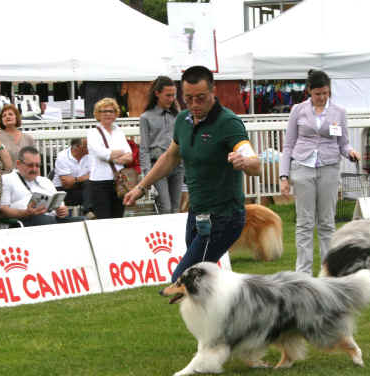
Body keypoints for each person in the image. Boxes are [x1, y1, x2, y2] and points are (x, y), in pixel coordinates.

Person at [124, 65, 260, 283]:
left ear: (213, 92)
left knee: (184, 280)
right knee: (203, 284)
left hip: (224, 216)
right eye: (188, 99)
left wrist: (245, 161)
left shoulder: (229, 123)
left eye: (201, 98)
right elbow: (170, 157)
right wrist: (142, 187)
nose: (194, 105)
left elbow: (255, 165)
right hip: (197, 213)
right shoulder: (183, 120)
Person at [279, 69, 360, 276]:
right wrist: (284, 176)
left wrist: (350, 152)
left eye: (325, 93)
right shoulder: (298, 110)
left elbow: (343, 143)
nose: (322, 97)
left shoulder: (339, 112)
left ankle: (329, 271)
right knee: (304, 223)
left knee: (327, 222)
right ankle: (303, 274)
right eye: (318, 94)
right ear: (309, 91)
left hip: (329, 168)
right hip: (302, 168)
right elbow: (288, 145)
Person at [0, 146, 85, 226]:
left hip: (52, 219)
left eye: (37, 166)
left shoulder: (45, 181)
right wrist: (26, 213)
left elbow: (60, 205)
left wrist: (63, 211)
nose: (34, 169)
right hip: (26, 220)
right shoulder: (7, 179)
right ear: (18, 164)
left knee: (83, 221)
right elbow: (3, 210)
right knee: (45, 220)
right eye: (30, 165)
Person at [139, 76, 183, 214]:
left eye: (173, 95)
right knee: (165, 207)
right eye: (168, 95)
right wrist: (147, 176)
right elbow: (144, 148)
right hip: (157, 167)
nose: (171, 99)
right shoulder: (145, 117)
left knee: (176, 208)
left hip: (178, 167)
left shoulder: (178, 115)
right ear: (157, 93)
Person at [86, 98, 133, 219]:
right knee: (103, 219)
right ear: (98, 114)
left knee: (118, 218)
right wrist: (118, 154)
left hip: (119, 181)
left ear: (115, 113)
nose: (107, 114)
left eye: (111, 111)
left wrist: (113, 155)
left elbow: (129, 155)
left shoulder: (119, 132)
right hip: (99, 182)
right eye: (103, 111)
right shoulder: (92, 133)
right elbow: (102, 154)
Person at [52, 138, 93, 217]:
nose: (91, 147)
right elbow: (66, 184)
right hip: (63, 191)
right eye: (87, 146)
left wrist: (75, 180)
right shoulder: (62, 156)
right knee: (89, 186)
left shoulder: (91, 155)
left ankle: (89, 213)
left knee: (95, 187)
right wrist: (85, 178)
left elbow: (94, 175)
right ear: (77, 147)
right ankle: (89, 213)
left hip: (82, 188)